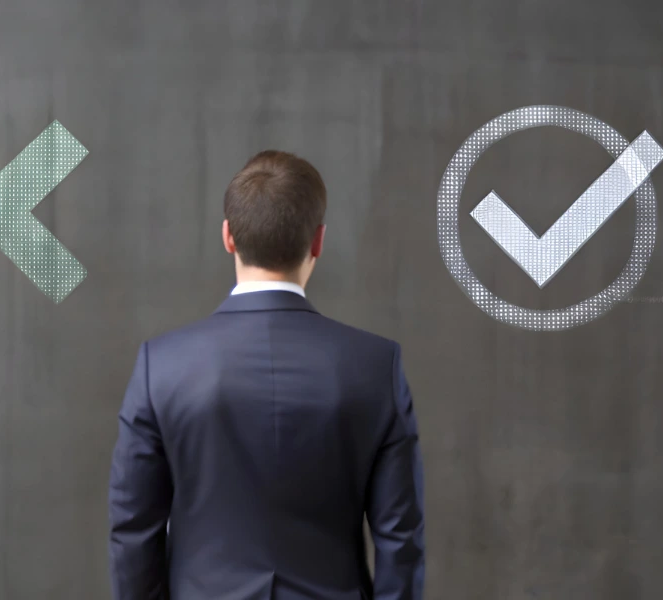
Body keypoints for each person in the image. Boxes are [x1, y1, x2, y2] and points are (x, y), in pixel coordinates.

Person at [108, 150, 426, 600]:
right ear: (318, 241)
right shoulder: (376, 366)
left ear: (228, 237)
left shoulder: (160, 365)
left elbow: (133, 531)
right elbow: (401, 540)